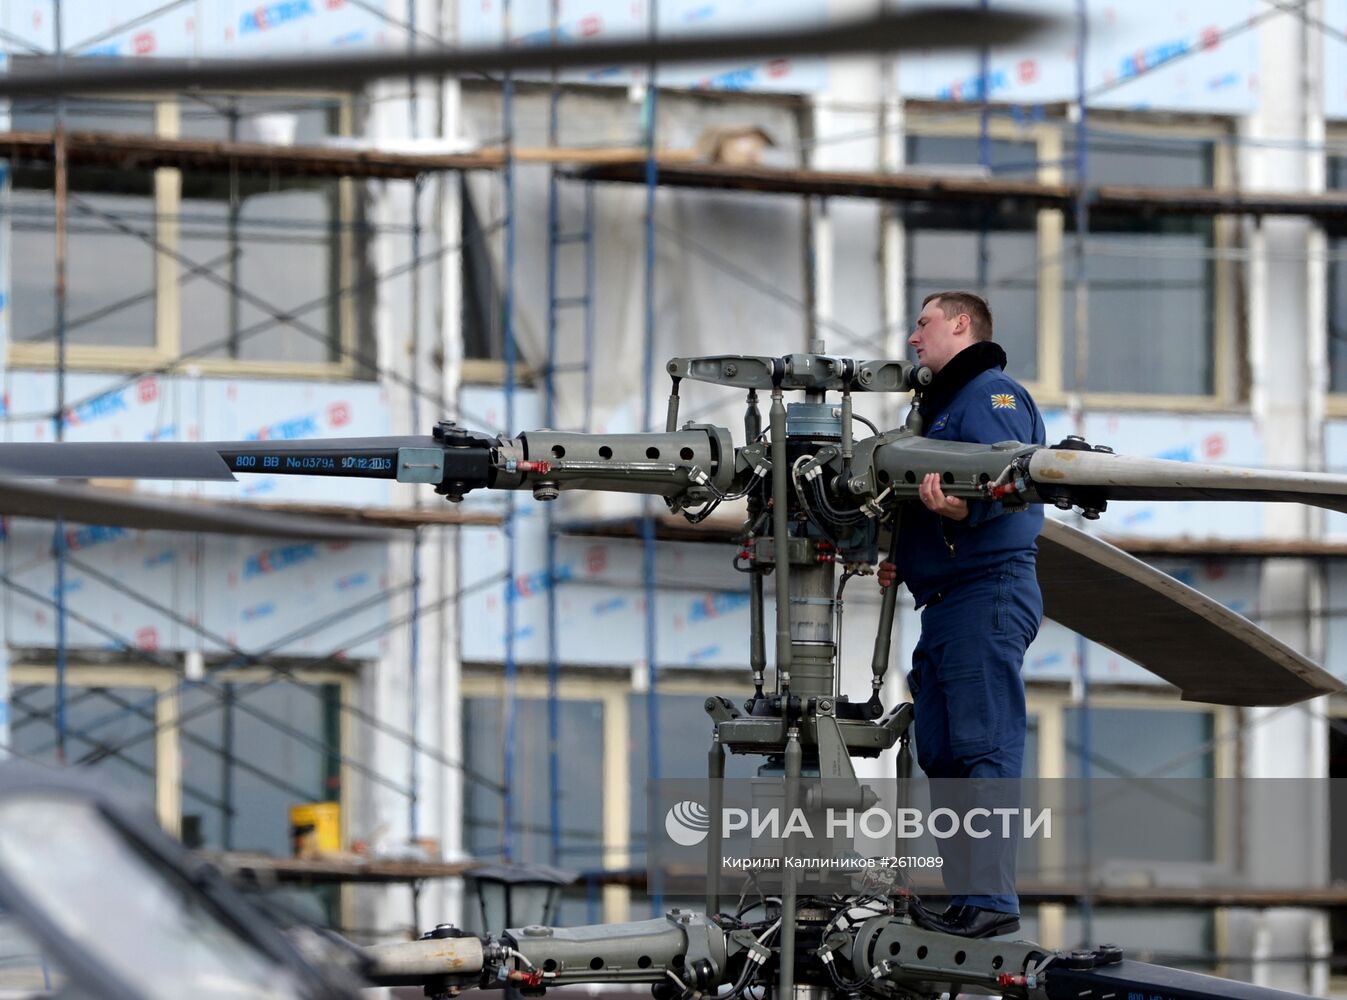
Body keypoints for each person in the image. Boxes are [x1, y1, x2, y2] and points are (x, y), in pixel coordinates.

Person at [878, 291, 1045, 939]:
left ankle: (990, 904)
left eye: (922, 324)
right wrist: (908, 555)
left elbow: (1008, 475)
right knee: (944, 751)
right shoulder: (938, 412)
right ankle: (965, 901)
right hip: (944, 602)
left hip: (986, 592)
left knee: (982, 747)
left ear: (959, 324)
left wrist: (960, 510)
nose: (913, 338)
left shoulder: (989, 394)